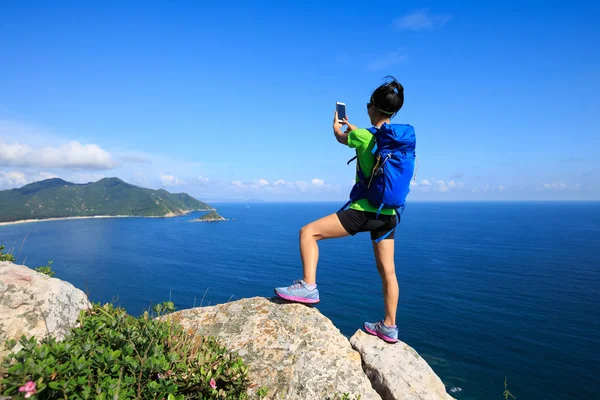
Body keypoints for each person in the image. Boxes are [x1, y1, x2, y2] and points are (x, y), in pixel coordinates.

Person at [275, 76, 412, 344]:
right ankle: (389, 326)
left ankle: (308, 287)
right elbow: (373, 140)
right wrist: (357, 128)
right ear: (393, 111)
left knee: (308, 233)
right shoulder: (397, 141)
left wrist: (338, 126)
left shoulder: (362, 136)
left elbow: (341, 137)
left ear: (372, 107)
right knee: (389, 272)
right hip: (389, 216)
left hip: (363, 211)